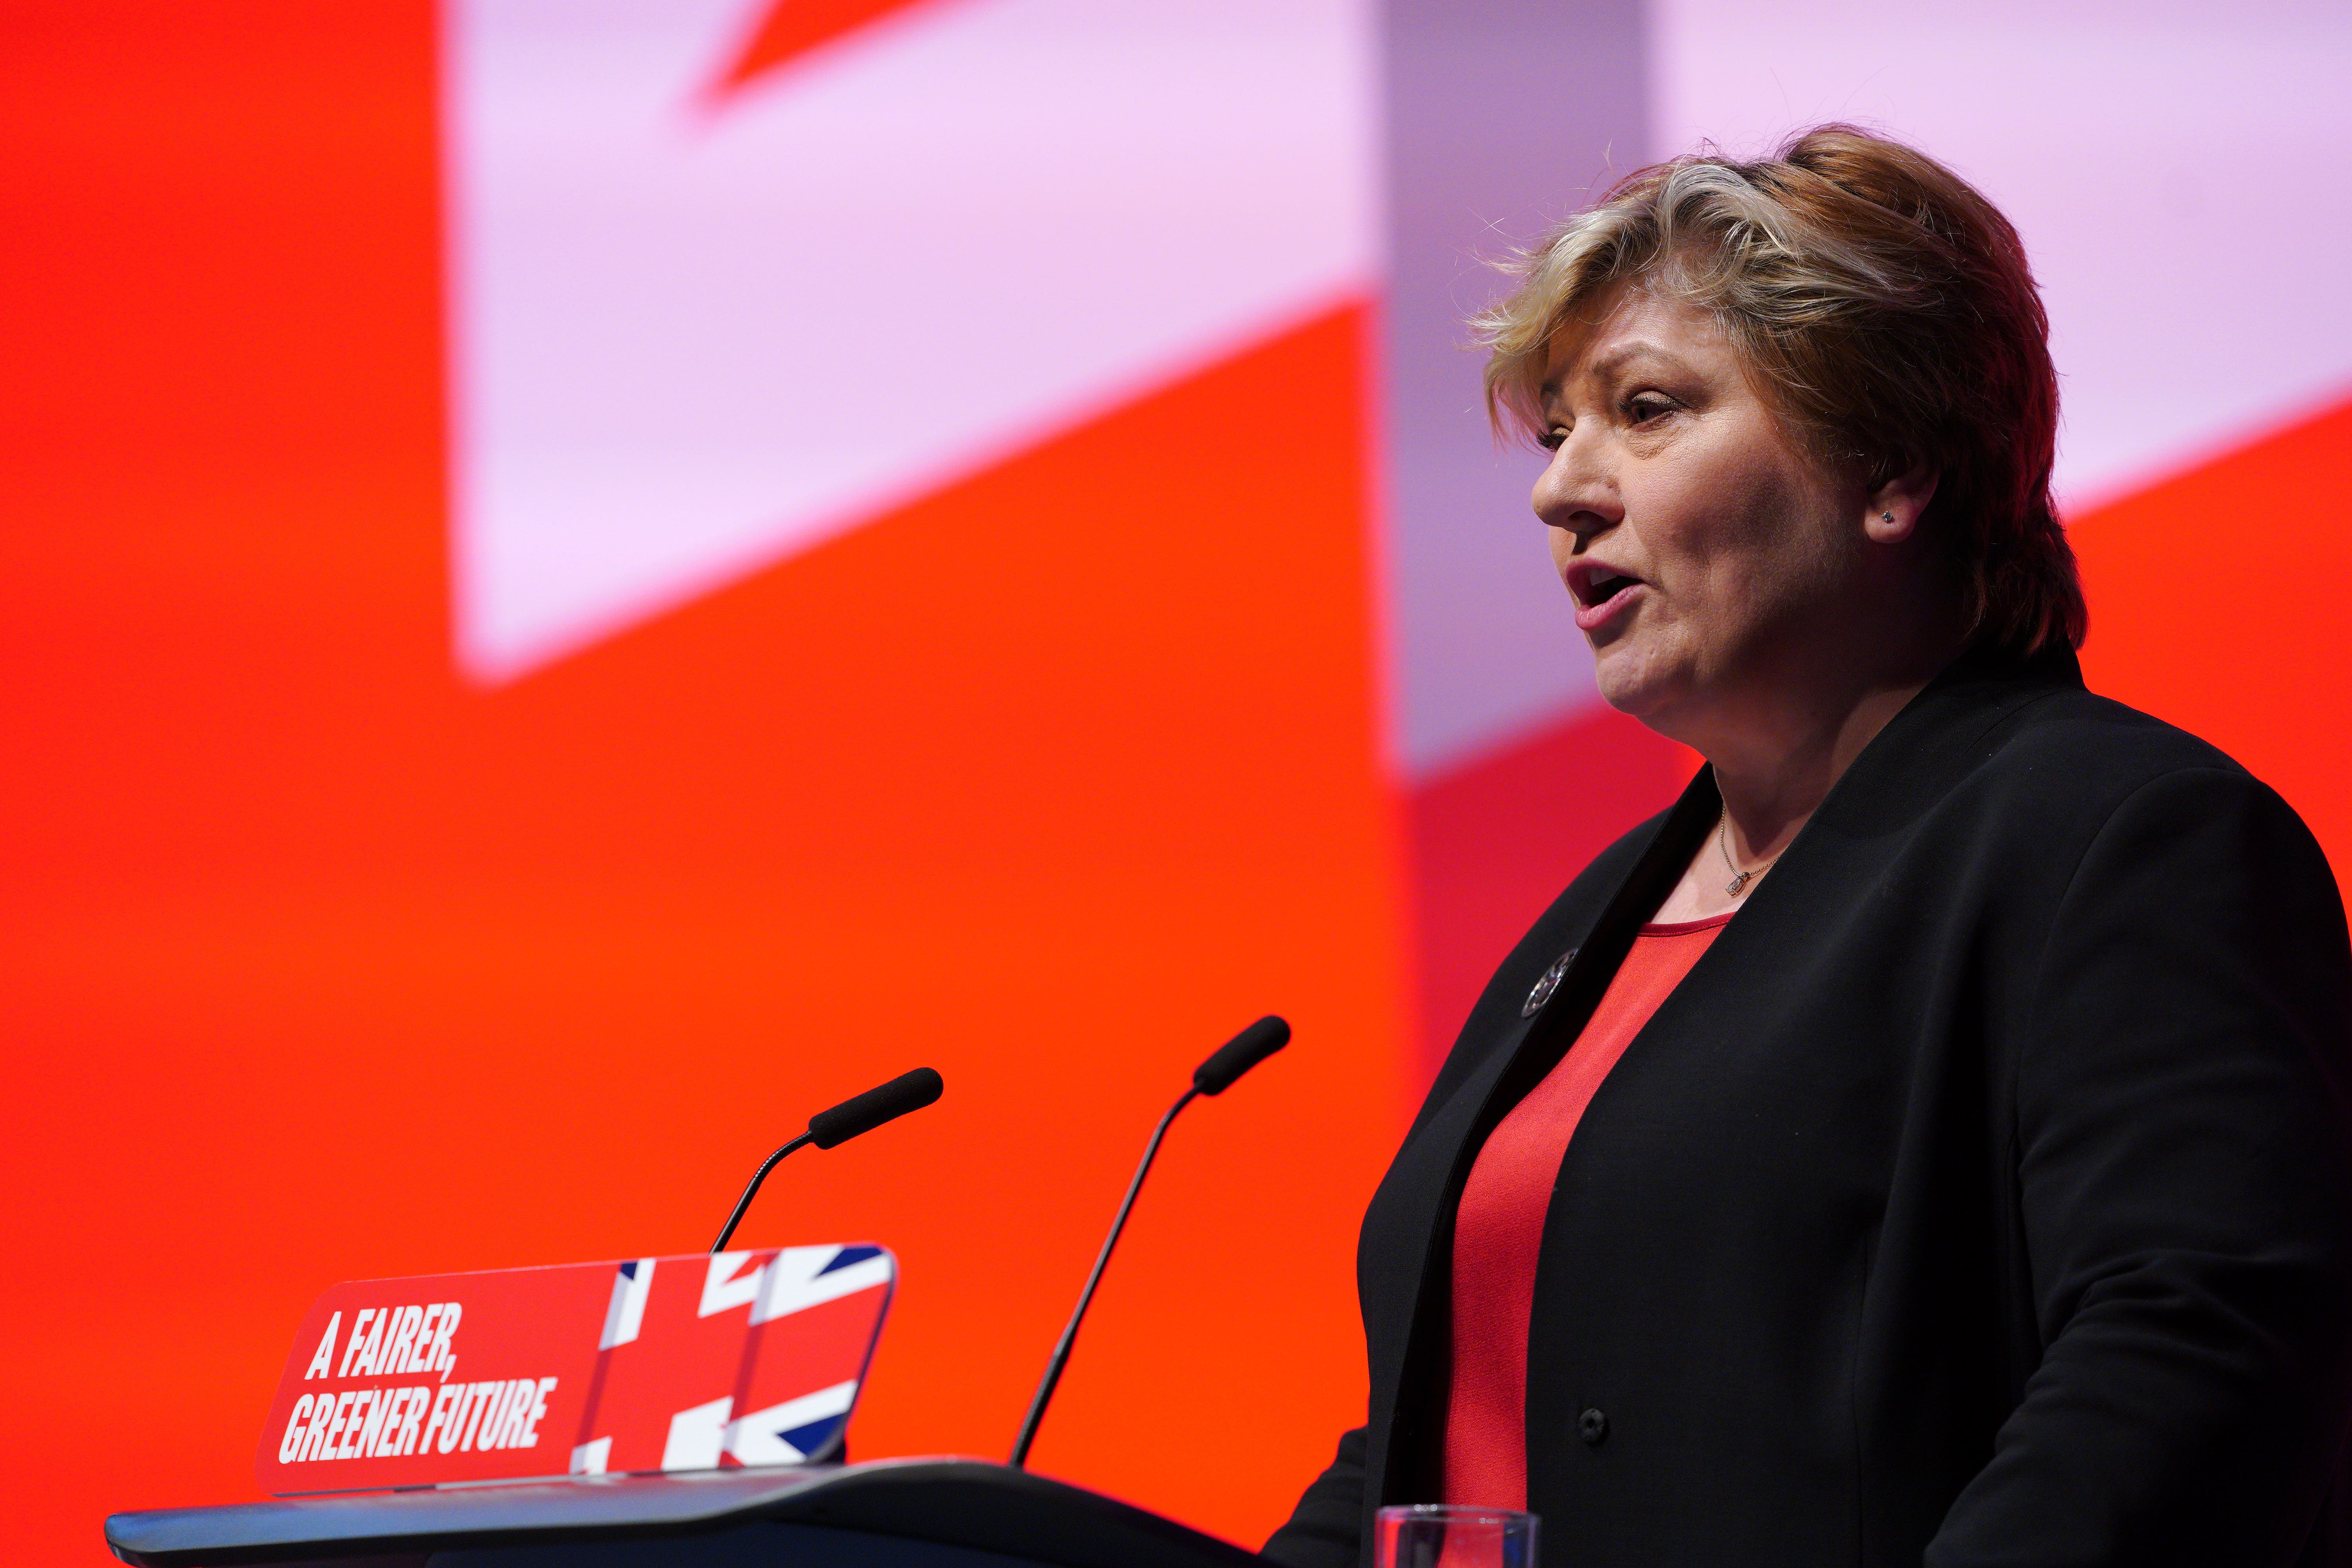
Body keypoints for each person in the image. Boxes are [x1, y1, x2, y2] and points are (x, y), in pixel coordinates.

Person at [1262, 126, 2352, 1568]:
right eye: (1557, 433)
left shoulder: (2119, 840)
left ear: (1891, 469)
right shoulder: (1589, 930)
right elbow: (1437, 1432)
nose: (1562, 491)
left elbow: (2197, 1356)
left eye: (1646, 411)